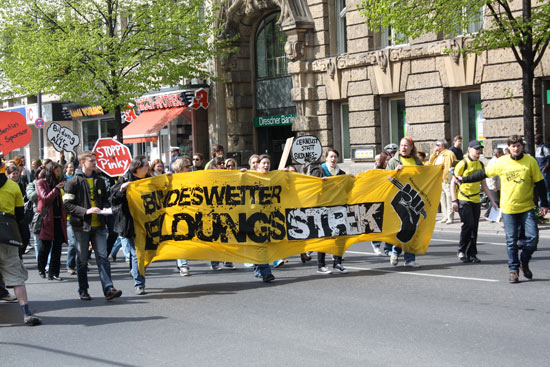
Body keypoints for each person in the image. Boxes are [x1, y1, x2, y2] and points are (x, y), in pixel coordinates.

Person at [457, 135, 548, 283]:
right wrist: (464, 179)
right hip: (508, 208)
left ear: (522, 147)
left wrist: (544, 204)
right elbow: (483, 173)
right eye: (513, 146)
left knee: (532, 239)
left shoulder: (530, 161)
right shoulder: (501, 162)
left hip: (527, 207)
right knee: (511, 241)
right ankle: (513, 270)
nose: (516, 148)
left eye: (518, 145)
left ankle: (523, 261)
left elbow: (540, 182)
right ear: (509, 148)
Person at [63, 151, 122, 300]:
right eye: (92, 161)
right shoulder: (72, 182)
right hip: (81, 226)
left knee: (103, 257)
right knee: (82, 259)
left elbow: (105, 200)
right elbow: (67, 205)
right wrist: (86, 211)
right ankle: (83, 290)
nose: (95, 163)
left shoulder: (100, 180)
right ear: (82, 162)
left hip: (99, 225)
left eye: (95, 160)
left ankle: (108, 289)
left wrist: (107, 209)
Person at [0, 161, 42, 325]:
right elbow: (20, 216)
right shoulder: (12, 186)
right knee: (16, 277)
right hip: (7, 235)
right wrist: (23, 242)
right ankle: (26, 312)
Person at [451, 141, 497, 263]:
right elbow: (453, 183)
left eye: (479, 149)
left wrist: (492, 201)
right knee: (468, 225)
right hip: (464, 199)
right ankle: (461, 250)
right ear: (469, 149)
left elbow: (484, 184)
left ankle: (472, 254)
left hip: (476, 199)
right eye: (476, 148)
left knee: (474, 228)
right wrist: (454, 200)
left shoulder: (481, 164)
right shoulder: (463, 163)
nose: (478, 151)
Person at [111, 156, 150, 295]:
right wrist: (121, 189)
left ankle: (135, 271)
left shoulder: (149, 179)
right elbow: (113, 199)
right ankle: (139, 283)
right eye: (146, 165)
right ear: (138, 167)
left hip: (146, 223)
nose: (148, 167)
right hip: (130, 223)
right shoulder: (125, 179)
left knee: (144, 254)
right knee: (136, 253)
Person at [385, 137, 424, 267]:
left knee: (413, 227)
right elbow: (386, 178)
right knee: (403, 225)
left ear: (411, 147)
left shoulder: (417, 161)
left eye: (406, 145)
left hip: (413, 198)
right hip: (398, 198)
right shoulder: (393, 161)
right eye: (401, 145)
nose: (403, 148)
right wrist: (396, 172)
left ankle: (409, 259)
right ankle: (395, 250)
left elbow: (424, 176)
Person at [314, 148, 349, 274]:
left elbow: (347, 189)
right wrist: (319, 183)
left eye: (335, 157)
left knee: (340, 236)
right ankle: (321, 265)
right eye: (331, 156)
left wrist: (350, 180)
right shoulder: (319, 170)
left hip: (338, 208)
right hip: (323, 208)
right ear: (326, 158)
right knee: (324, 236)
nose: (333, 159)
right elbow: (311, 185)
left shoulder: (341, 173)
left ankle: (338, 262)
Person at [36, 162, 67, 280]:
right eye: (57, 171)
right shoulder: (41, 182)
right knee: (45, 246)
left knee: (57, 247)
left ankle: (54, 272)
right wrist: (55, 189)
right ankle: (41, 268)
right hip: (47, 219)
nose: (59, 173)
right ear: (51, 171)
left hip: (59, 219)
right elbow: (44, 198)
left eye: (60, 171)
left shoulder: (59, 183)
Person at [252, 154, 275, 282]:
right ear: (258, 165)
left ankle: (258, 269)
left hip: (269, 215)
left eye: (268, 163)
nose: (266, 165)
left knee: (262, 245)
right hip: (254, 216)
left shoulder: (273, 177)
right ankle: (266, 272)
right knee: (260, 243)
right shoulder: (251, 176)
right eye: (264, 163)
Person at [172, 156, 194, 276]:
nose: (189, 169)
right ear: (180, 168)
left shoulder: (193, 178)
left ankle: (180, 261)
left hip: (190, 212)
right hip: (176, 213)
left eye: (190, 166)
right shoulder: (171, 179)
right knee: (181, 239)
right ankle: (183, 265)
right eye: (187, 167)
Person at [428, 139, 457, 224]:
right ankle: (445, 216)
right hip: (439, 179)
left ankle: (450, 217)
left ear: (443, 146)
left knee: (449, 197)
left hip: (447, 179)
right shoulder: (438, 154)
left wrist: (451, 176)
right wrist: (433, 153)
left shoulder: (449, 153)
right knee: (442, 198)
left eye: (438, 145)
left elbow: (454, 164)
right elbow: (430, 163)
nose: (436, 147)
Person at [371, 151, 390, 255]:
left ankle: (388, 248)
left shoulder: (391, 170)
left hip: (388, 200)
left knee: (388, 225)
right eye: (386, 160)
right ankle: (376, 245)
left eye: (389, 160)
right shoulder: (376, 171)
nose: (388, 162)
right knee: (378, 224)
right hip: (377, 200)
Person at [484, 148, 504, 219]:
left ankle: (492, 215)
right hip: (493, 185)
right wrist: (493, 186)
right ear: (498, 154)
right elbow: (492, 176)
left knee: (496, 200)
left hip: (496, 185)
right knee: (495, 200)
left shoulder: (497, 161)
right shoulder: (494, 162)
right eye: (502, 153)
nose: (503, 154)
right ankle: (488, 214)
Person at [534, 133, 550, 204]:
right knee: (540, 188)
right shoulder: (538, 147)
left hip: (544, 170)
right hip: (538, 170)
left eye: (536, 138)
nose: (535, 140)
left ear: (540, 139)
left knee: (546, 188)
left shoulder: (544, 147)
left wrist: (545, 168)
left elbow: (549, 159)